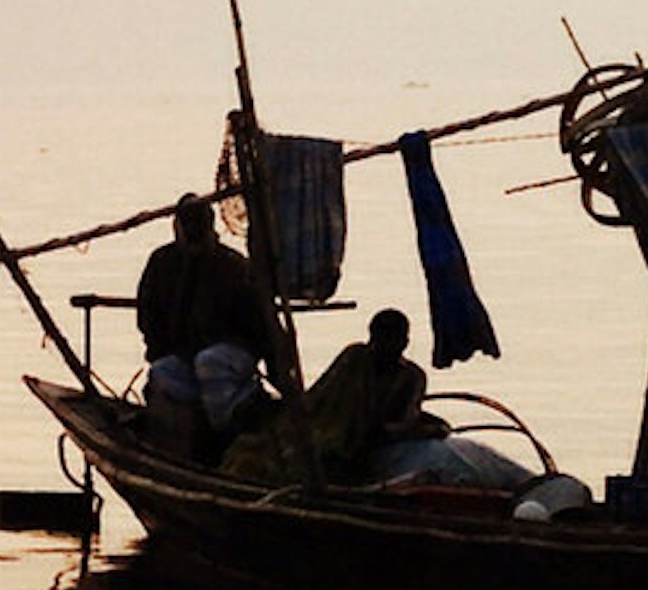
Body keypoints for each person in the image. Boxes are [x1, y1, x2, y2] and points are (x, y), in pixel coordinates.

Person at [134, 194, 273, 456]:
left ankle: (228, 436)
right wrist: (160, 351)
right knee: (163, 373)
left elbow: (260, 327)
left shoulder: (233, 266)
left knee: (210, 363)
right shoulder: (162, 263)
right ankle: (187, 440)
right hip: (183, 356)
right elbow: (148, 317)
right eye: (189, 230)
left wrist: (276, 371)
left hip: (231, 354)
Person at [294, 307, 433, 481]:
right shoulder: (354, 359)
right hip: (334, 440)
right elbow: (321, 395)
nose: (388, 346)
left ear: (405, 342)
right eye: (383, 339)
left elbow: (406, 419)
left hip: (379, 443)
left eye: (393, 339)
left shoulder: (412, 376)